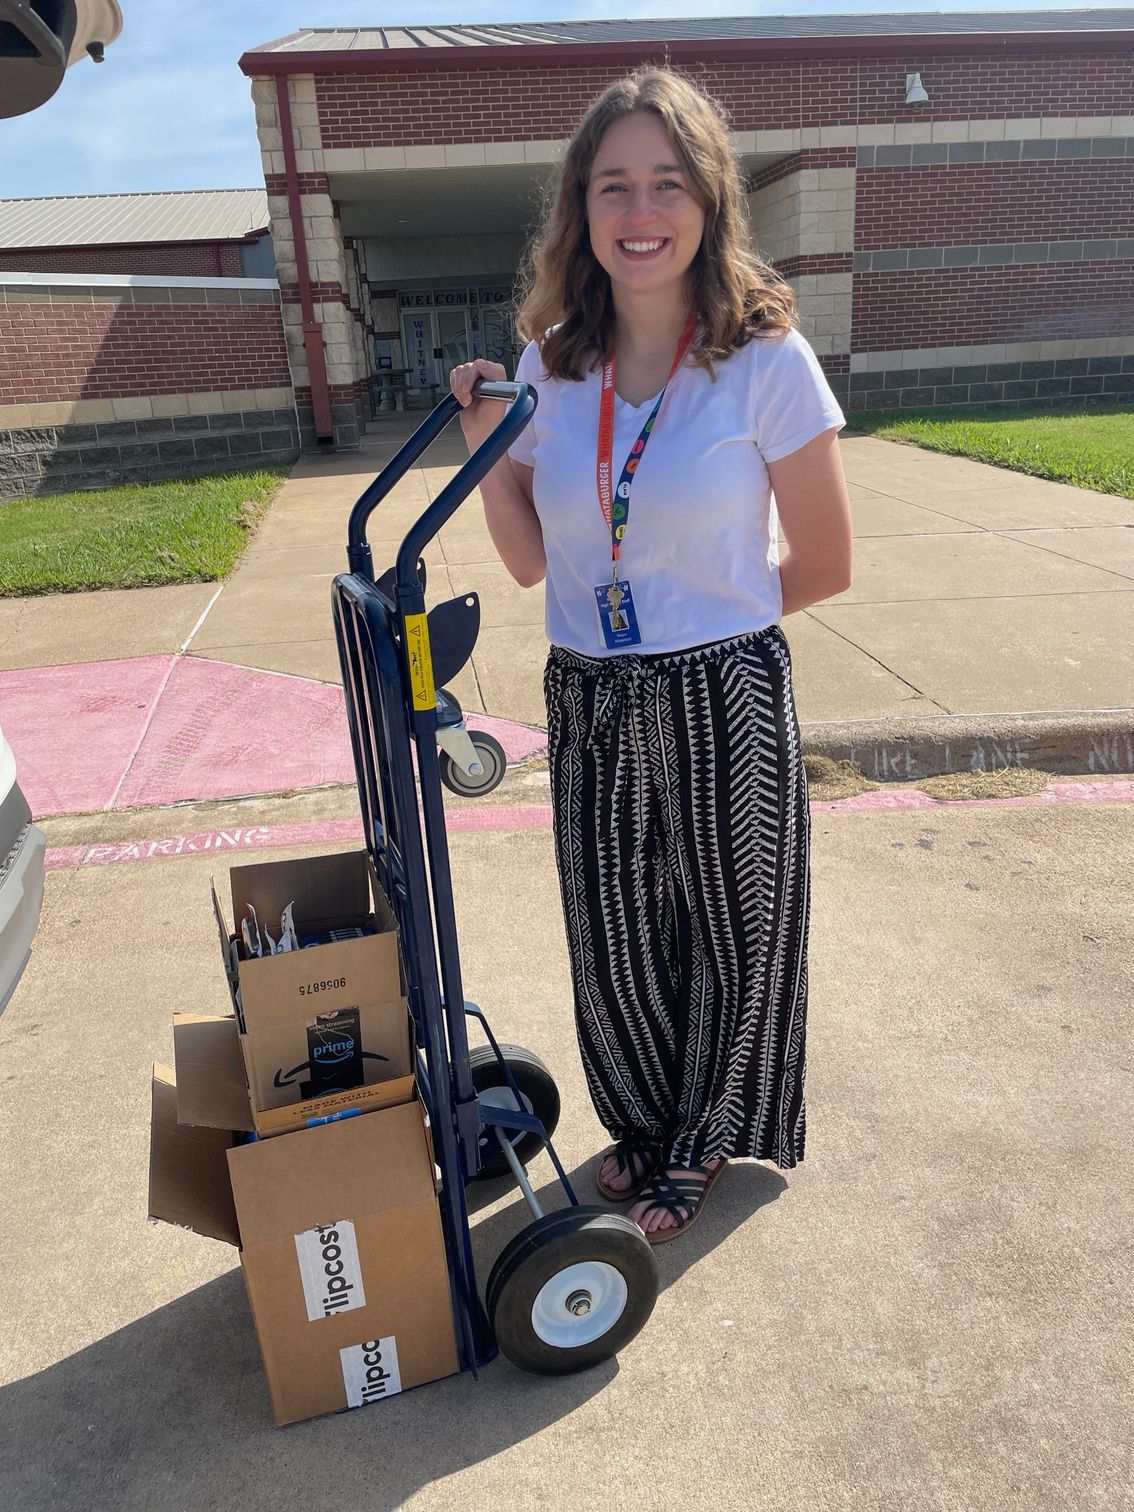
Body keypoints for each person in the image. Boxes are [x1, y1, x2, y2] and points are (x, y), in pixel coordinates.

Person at [450, 68, 853, 1244]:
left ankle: (704, 1137)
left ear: (708, 201)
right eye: (612, 185)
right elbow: (530, 561)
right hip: (586, 686)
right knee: (614, 923)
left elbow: (825, 564)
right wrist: (486, 442)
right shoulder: (550, 366)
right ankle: (640, 1116)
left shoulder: (766, 361)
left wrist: (703, 627)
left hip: (724, 678)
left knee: (738, 922)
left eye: (666, 183)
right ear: (580, 210)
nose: (639, 212)